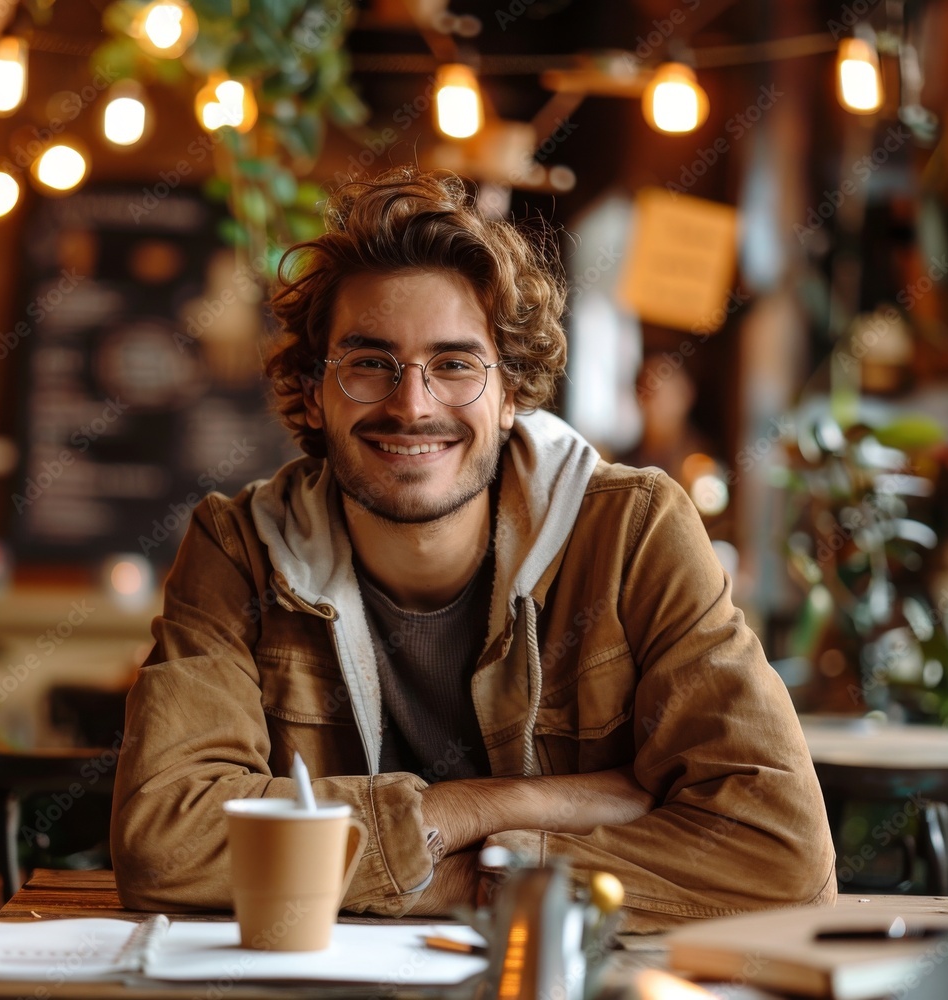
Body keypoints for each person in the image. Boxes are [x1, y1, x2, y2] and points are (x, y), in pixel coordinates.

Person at [111, 167, 836, 932]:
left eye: (455, 364)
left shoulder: (633, 531)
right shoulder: (239, 549)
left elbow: (779, 853)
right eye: (368, 363)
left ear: (513, 389)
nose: (412, 404)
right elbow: (165, 844)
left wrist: (486, 880)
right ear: (314, 389)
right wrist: (491, 813)